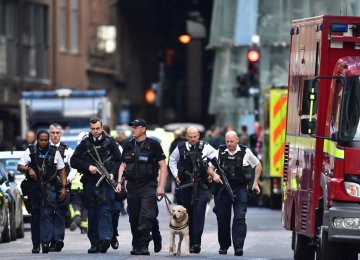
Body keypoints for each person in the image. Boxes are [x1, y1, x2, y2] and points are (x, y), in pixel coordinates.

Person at [115, 119, 168, 255]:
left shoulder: (153, 144)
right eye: (132, 127)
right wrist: (119, 182)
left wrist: (161, 186)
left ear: (143, 129)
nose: (132, 129)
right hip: (132, 186)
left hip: (148, 185)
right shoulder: (128, 144)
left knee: (146, 215)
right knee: (134, 217)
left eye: (136, 127)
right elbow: (123, 165)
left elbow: (163, 165)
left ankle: (144, 245)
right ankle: (139, 242)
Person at [70, 117, 122, 254]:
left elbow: (119, 160)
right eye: (93, 129)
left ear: (102, 127)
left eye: (98, 128)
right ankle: (94, 243)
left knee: (105, 209)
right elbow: (73, 161)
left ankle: (105, 238)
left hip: (106, 183)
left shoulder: (110, 142)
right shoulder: (85, 143)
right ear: (90, 128)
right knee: (92, 213)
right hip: (90, 183)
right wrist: (88, 167)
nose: (95, 131)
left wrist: (112, 173)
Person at [210, 130, 262, 256]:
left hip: (240, 189)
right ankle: (224, 246)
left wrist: (255, 182)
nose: (229, 144)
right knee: (223, 218)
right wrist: (214, 174)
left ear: (237, 140)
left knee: (239, 217)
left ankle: (238, 247)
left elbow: (258, 164)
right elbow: (209, 166)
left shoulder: (245, 151)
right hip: (223, 189)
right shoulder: (220, 151)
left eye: (231, 141)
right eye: (227, 141)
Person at [169, 126, 218, 254]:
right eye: (190, 137)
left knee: (199, 214)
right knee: (187, 215)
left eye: (195, 137)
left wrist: (210, 171)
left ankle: (196, 243)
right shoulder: (180, 147)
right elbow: (172, 161)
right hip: (185, 186)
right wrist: (176, 175)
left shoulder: (205, 147)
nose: (193, 139)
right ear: (186, 136)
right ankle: (189, 242)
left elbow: (217, 158)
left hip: (201, 186)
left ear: (198, 136)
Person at [17, 130, 67, 254]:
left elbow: (61, 170)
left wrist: (64, 187)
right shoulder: (31, 150)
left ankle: (45, 242)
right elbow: (20, 166)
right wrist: (28, 170)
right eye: (41, 140)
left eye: (46, 140)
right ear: (37, 140)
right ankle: (36, 245)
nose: (43, 142)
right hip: (34, 188)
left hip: (49, 188)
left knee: (47, 214)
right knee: (36, 217)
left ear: (48, 139)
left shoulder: (54, 152)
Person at [48, 123, 75, 251]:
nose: (55, 135)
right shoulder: (43, 148)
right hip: (47, 187)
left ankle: (58, 240)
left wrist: (68, 179)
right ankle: (47, 240)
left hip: (62, 187)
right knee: (47, 214)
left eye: (57, 133)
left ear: (61, 134)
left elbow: (74, 167)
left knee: (59, 214)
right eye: (53, 133)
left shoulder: (68, 150)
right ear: (49, 134)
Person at [68, 131, 89, 234]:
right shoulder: (91, 154)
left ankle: (76, 215)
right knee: (86, 206)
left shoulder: (74, 154)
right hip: (86, 184)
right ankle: (84, 226)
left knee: (75, 203)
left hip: (75, 185)